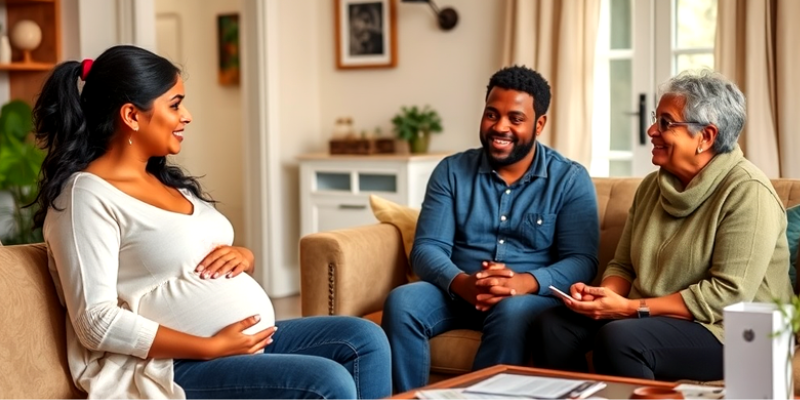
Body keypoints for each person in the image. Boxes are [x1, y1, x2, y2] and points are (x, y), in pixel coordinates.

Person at [32, 45, 391, 399]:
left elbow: (190, 252)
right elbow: (95, 322)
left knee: (364, 339)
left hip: (239, 341)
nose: (186, 115)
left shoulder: (165, 181)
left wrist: (244, 256)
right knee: (326, 380)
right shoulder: (86, 196)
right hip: (169, 364)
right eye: (174, 104)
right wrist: (208, 346)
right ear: (132, 115)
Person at [530, 70, 793, 382]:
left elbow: (727, 295)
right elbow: (623, 265)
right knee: (552, 325)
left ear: (705, 137)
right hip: (651, 316)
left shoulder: (748, 192)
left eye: (666, 123)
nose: (651, 129)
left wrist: (628, 308)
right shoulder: (651, 187)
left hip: (737, 331)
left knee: (620, 339)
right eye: (657, 118)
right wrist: (602, 296)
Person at [381, 65, 600, 392]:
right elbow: (427, 248)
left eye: (516, 118)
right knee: (402, 303)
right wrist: (462, 282)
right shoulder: (451, 171)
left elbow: (582, 260)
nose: (500, 127)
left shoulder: (569, 179)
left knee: (512, 311)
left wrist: (524, 282)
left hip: (527, 298)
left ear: (539, 124)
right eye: (492, 114)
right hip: (457, 291)